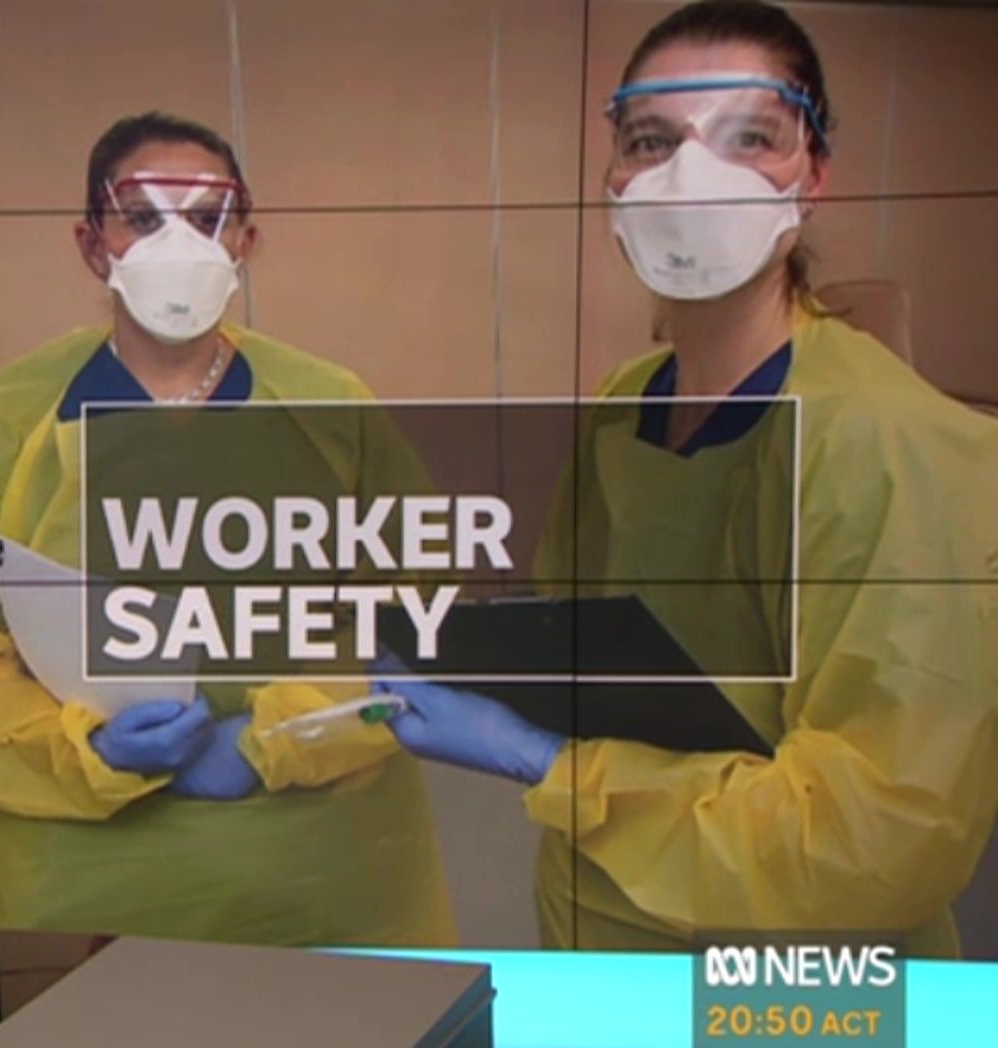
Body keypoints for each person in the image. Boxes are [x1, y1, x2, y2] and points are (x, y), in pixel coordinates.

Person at [378, 0, 998, 955]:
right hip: (604, 922)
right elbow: (581, 639)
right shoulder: (627, 402)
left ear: (814, 175)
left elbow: (881, 835)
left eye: (748, 137)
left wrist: (549, 762)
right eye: (652, 140)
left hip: (802, 978)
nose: (691, 177)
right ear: (614, 178)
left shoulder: (893, 445)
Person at [0, 112, 456, 947]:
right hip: (84, 878)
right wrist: (85, 750)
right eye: (143, 217)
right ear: (93, 244)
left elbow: (416, 618)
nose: (179, 244)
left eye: (207, 219)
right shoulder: (0, 428)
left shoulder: (329, 409)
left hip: (321, 866)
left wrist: (281, 739)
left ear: (245, 241)